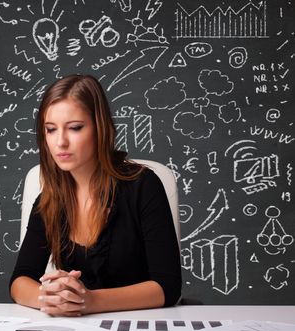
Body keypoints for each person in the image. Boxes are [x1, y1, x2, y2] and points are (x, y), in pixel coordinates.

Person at [10, 74, 181, 316]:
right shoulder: (49, 200)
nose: (60, 142)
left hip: (139, 328)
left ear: (100, 128)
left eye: (75, 128)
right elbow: (20, 279)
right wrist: (50, 298)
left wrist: (88, 301)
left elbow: (167, 286)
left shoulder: (143, 185)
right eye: (50, 130)